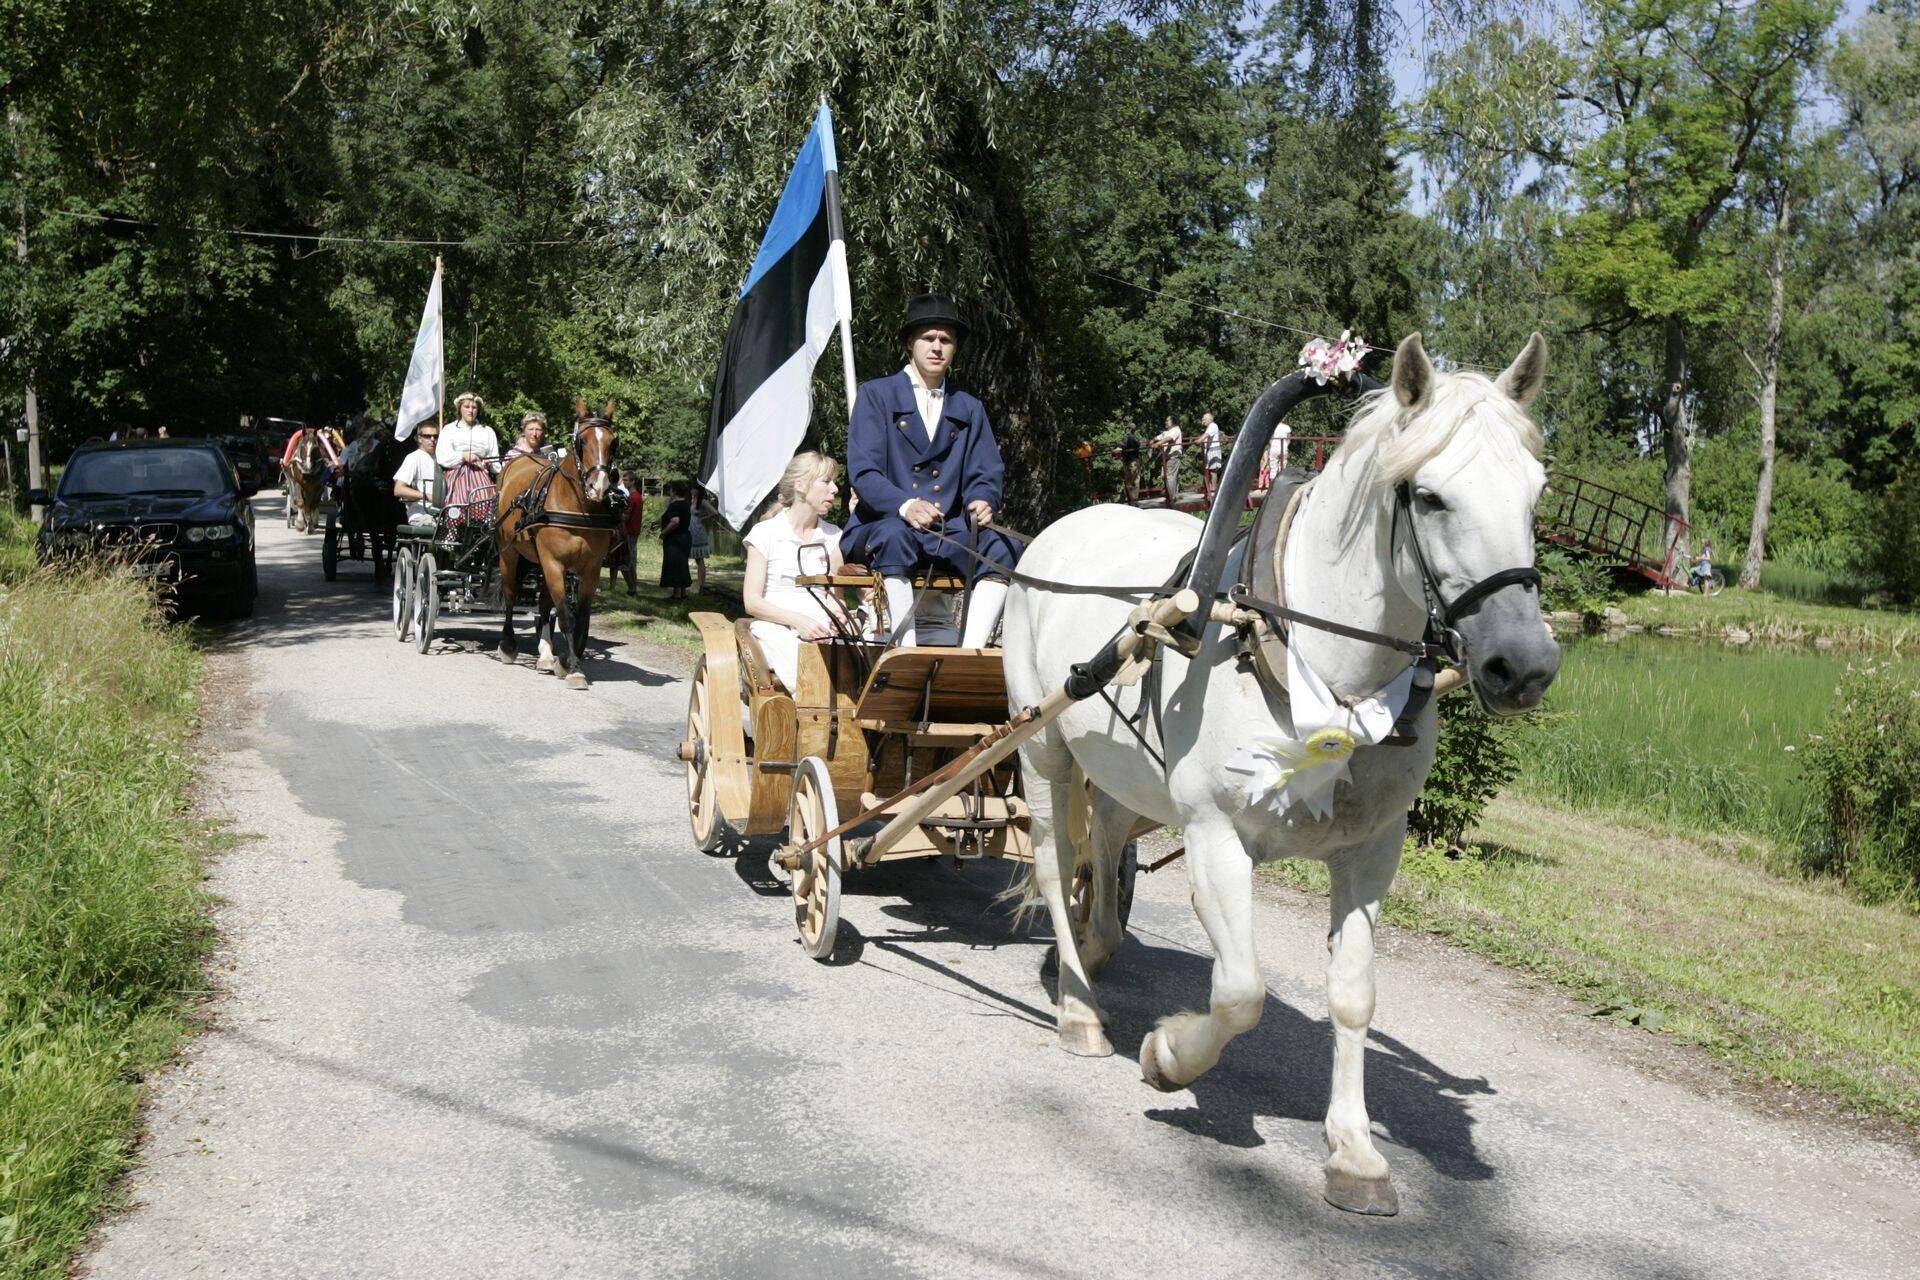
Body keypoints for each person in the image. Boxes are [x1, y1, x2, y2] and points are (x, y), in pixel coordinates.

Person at [839, 292, 1019, 648]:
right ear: (911, 343)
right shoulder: (876, 395)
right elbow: (865, 471)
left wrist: (984, 499)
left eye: (946, 340)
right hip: (879, 526)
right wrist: (905, 506)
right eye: (928, 338)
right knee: (895, 535)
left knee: (1004, 546)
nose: (937, 346)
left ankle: (971, 652)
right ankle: (903, 651)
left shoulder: (969, 407)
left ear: (954, 349)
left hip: (946, 532)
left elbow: (986, 470)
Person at [743, 452, 852, 692]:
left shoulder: (835, 537)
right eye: (826, 481)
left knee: (863, 655)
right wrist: (799, 621)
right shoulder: (765, 534)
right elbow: (752, 602)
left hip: (824, 627)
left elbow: (837, 597)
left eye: (835, 482)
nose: (835, 489)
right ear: (801, 486)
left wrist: (838, 612)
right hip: (776, 627)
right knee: (804, 667)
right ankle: (814, 723)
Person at [435, 393, 499, 523]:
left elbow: (496, 463)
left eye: (474, 407)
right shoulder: (449, 429)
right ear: (460, 408)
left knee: (484, 500)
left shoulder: (487, 431)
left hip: (481, 475)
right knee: (461, 497)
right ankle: (455, 526)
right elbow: (442, 457)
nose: (470, 410)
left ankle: (481, 528)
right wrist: (464, 456)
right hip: (456, 474)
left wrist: (489, 463)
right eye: (467, 406)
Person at [391, 420, 441, 527]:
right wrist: (427, 496)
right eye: (427, 436)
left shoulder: (443, 458)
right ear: (419, 438)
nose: (432, 439)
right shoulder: (413, 458)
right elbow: (398, 489)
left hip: (445, 511)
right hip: (422, 513)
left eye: (435, 436)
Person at [659, 481, 694, 600]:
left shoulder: (675, 506)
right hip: (685, 537)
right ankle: (683, 592)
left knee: (674, 564)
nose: (669, 492)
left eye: (670, 490)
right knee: (682, 563)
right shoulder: (685, 504)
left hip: (675, 539)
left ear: (674, 491)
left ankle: (676, 594)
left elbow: (675, 521)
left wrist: (663, 532)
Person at [688, 490, 714, 594]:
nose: (692, 490)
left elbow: (714, 512)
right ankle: (700, 584)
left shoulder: (702, 501)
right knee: (697, 559)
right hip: (692, 530)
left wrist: (703, 518)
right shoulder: (693, 500)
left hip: (698, 531)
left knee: (699, 559)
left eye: (694, 489)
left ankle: (701, 584)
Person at [1152, 415, 1183, 504]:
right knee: (1164, 476)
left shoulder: (1176, 430)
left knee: (1170, 477)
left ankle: (1171, 498)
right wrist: (1152, 440)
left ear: (1173, 421)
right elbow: (1160, 437)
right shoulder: (1168, 431)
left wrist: (1158, 444)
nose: (1166, 422)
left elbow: (1169, 439)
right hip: (1167, 457)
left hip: (1173, 457)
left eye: (1167, 421)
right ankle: (1169, 496)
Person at [1198, 411, 1223, 507]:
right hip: (1209, 450)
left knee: (1213, 470)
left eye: (1204, 419)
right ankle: (1209, 490)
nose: (1202, 420)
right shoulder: (1209, 427)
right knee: (1209, 470)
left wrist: (1199, 440)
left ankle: (1213, 490)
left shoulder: (1213, 426)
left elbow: (1206, 436)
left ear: (1209, 419)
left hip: (1213, 451)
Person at [1118, 426, 1142, 503]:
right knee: (1135, 481)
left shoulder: (1128, 438)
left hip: (1130, 462)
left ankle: (1131, 499)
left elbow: (1121, 447)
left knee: (1129, 481)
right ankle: (1134, 499)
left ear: (1130, 430)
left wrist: (1113, 451)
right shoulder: (1136, 438)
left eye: (1127, 429)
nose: (1125, 430)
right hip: (1136, 460)